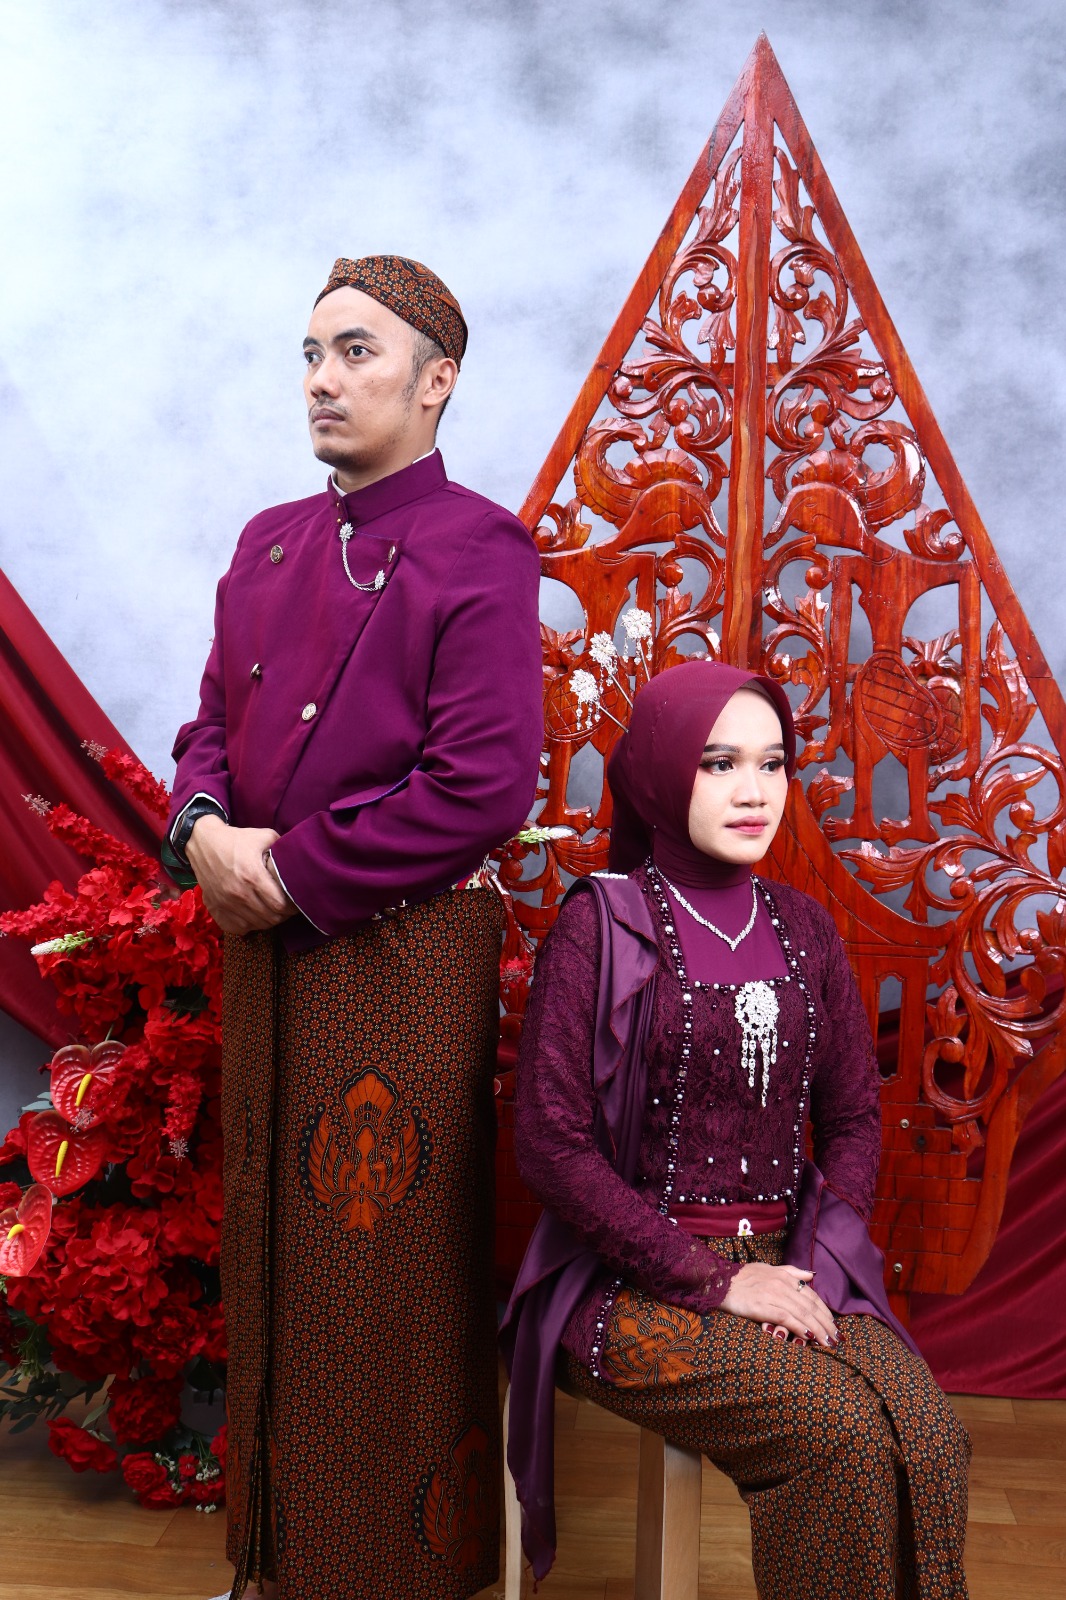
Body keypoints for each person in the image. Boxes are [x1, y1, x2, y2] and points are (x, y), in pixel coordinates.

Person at [165, 255, 543, 1600]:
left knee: (374, 1280)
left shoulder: (480, 547)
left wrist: (287, 871)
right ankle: (269, 1563)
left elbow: (482, 784)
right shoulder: (266, 539)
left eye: (357, 352)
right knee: (269, 1248)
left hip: (398, 953)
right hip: (264, 945)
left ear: (438, 382)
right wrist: (202, 830)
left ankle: (387, 1576)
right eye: (311, 354)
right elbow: (208, 724)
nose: (322, 380)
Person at [501, 660, 970, 1600]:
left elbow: (851, 1114)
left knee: (930, 1437)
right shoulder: (601, 925)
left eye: (772, 762)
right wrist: (714, 1280)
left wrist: (816, 1260)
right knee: (835, 1434)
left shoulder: (805, 927)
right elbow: (550, 1143)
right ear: (660, 773)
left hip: (788, 1269)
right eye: (719, 763)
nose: (754, 791)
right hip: (628, 1282)